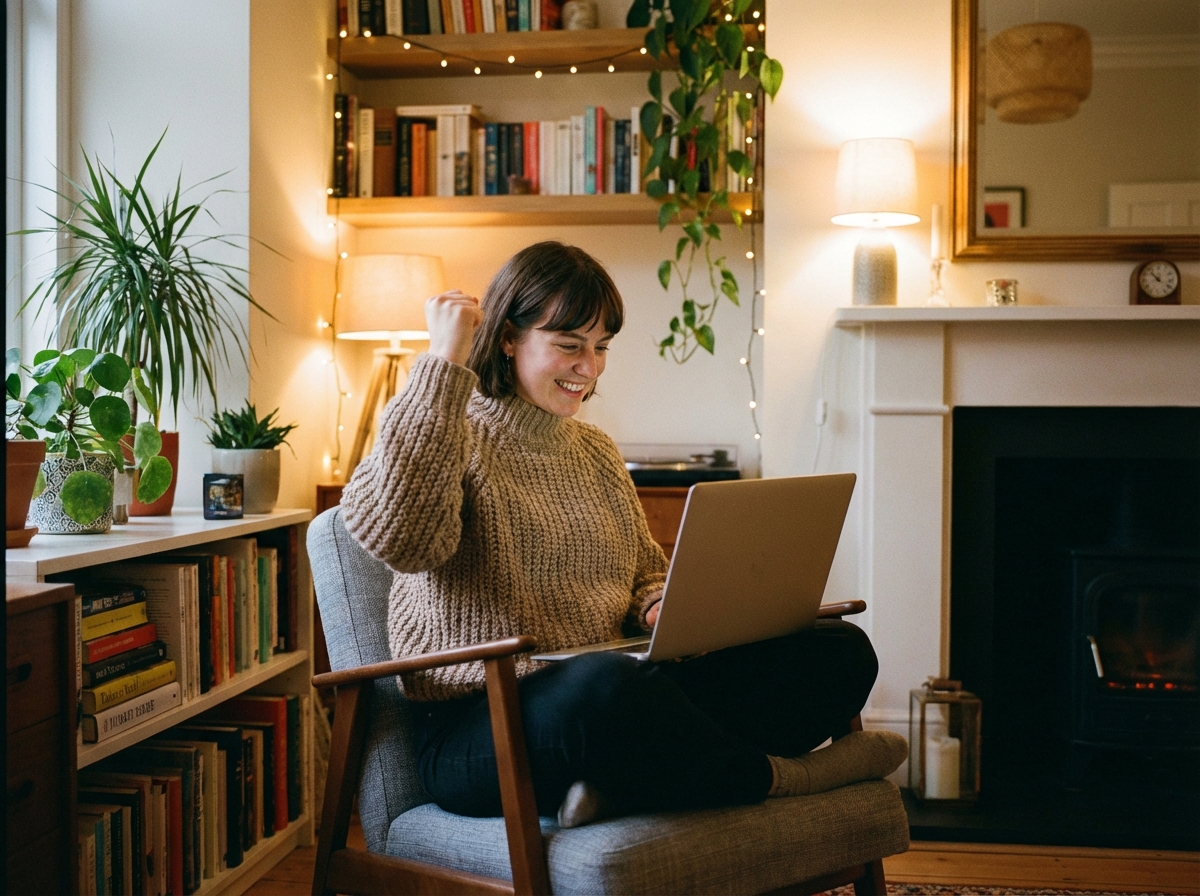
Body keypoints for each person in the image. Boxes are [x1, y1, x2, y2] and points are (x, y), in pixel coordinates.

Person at [340, 240, 906, 827]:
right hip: (483, 725)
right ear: (508, 339)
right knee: (605, 688)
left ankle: (624, 784)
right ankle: (782, 778)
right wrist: (444, 363)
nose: (589, 368)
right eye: (568, 345)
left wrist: (664, 607)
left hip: (621, 691)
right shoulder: (446, 431)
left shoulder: (596, 452)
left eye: (600, 347)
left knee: (837, 651)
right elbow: (401, 541)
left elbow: (644, 574)